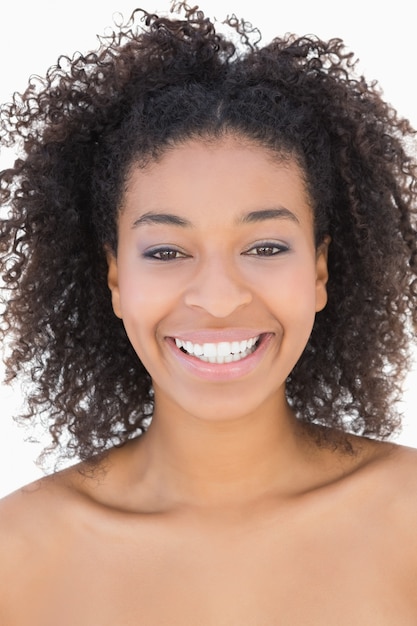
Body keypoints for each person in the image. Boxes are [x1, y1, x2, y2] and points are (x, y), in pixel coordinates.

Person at [0, 3, 417, 623]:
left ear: (321, 270)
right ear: (115, 276)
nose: (219, 299)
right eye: (166, 251)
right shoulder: (18, 554)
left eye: (266, 247)